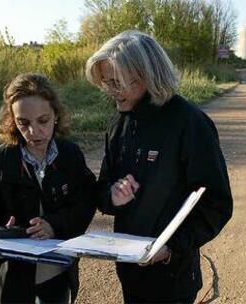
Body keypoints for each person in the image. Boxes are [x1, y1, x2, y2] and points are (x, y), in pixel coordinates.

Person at [86, 30, 233, 303]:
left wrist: (172, 248)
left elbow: (216, 203)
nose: (110, 91)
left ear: (146, 74)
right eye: (106, 82)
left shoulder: (190, 123)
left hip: (174, 275)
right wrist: (113, 196)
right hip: (129, 270)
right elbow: (103, 193)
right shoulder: (119, 124)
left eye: (116, 82)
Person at [0, 73, 96, 304]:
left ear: (56, 115)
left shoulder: (70, 155)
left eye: (43, 121)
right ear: (12, 120)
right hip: (10, 280)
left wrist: (55, 224)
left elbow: (86, 201)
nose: (34, 131)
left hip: (57, 273)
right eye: (24, 123)